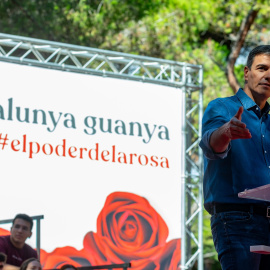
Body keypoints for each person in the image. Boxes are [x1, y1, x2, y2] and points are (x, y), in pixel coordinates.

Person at [200, 45, 270, 270]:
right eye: (262, 68)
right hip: (237, 221)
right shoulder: (222, 107)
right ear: (247, 73)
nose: (268, 75)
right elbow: (211, 144)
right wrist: (226, 132)